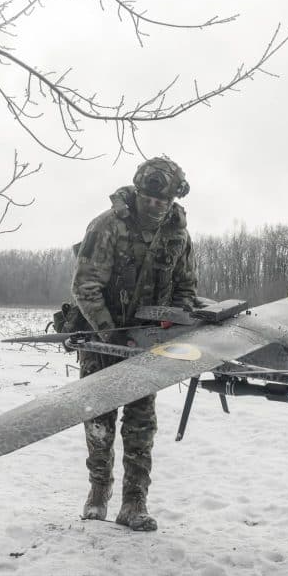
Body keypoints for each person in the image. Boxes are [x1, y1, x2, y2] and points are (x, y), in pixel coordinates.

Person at [71, 156, 197, 531]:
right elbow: (85, 286)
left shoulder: (178, 235)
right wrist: (111, 334)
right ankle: (98, 493)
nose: (156, 207)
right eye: (149, 199)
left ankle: (134, 503)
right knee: (99, 417)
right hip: (102, 338)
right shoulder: (107, 226)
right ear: (138, 193)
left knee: (141, 423)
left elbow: (187, 288)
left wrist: (171, 322)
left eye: (164, 202)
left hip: (147, 343)